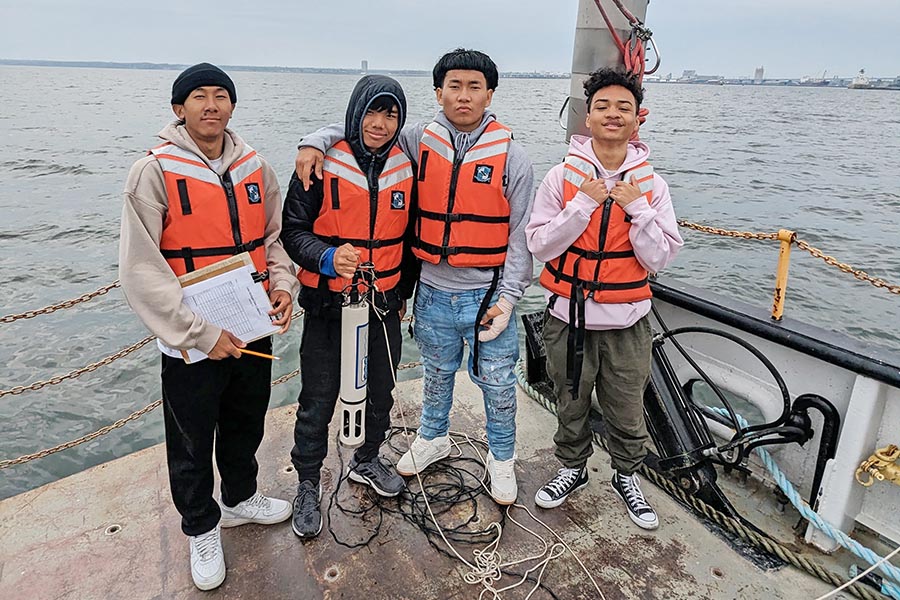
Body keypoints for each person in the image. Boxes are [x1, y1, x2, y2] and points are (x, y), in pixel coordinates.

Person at [294, 49, 535, 505]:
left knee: (499, 382)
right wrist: (314, 140)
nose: (463, 96)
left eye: (474, 87)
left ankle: (502, 460)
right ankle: (432, 436)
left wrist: (508, 298)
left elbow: (521, 237)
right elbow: (362, 131)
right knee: (436, 373)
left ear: (490, 94)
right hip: (431, 292)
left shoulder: (514, 157)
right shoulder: (418, 139)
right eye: (454, 86)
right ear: (439, 92)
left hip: (486, 295)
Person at [118, 63, 297, 590]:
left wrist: (283, 286)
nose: (212, 105)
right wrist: (198, 333)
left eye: (222, 96)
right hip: (190, 340)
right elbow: (141, 271)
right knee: (191, 439)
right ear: (179, 109)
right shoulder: (151, 173)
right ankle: (200, 526)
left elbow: (275, 239)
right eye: (199, 96)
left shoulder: (256, 168)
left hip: (250, 324)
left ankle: (241, 498)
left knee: (246, 420)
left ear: (233, 107)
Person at [525, 68, 683, 530]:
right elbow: (540, 244)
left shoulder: (653, 186)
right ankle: (571, 468)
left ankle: (626, 476)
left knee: (626, 405)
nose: (613, 115)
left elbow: (661, 256)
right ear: (587, 116)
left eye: (624, 108)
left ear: (639, 119)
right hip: (567, 315)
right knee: (569, 399)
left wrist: (638, 209)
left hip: (628, 318)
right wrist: (583, 205)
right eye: (603, 106)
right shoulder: (561, 176)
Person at [280, 75, 419, 538]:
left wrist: (403, 296)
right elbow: (292, 230)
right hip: (327, 303)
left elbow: (412, 239)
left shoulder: (408, 164)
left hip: (382, 303)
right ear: (355, 114)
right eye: (372, 113)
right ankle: (306, 482)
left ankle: (366, 458)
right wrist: (326, 256)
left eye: (391, 114)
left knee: (382, 391)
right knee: (317, 399)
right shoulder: (317, 165)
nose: (380, 124)